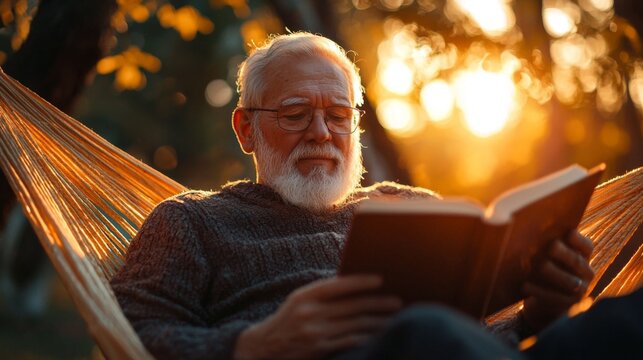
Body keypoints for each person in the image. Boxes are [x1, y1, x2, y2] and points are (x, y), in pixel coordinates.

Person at [110, 32, 599, 359]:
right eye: (296, 113)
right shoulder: (191, 222)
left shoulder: (416, 209)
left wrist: (543, 310)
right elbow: (129, 338)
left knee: (623, 317)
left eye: (339, 115)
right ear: (245, 129)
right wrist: (253, 344)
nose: (321, 132)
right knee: (428, 329)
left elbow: (474, 341)